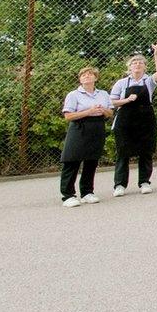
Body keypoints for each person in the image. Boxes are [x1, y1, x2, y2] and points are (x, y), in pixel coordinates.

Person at [108, 43, 157, 197]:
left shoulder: (148, 81)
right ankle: (119, 185)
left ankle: (145, 182)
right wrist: (126, 100)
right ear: (129, 67)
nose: (137, 64)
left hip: (145, 120)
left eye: (140, 62)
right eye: (134, 62)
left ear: (145, 67)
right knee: (123, 153)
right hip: (125, 121)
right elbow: (111, 102)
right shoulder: (121, 83)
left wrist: (156, 54)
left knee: (146, 151)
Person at [59, 67, 115, 207]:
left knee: (91, 161)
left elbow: (110, 113)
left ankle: (87, 192)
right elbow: (68, 116)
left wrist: (103, 110)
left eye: (90, 74)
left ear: (96, 78)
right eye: (83, 75)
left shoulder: (103, 94)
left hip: (97, 127)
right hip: (79, 127)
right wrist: (88, 111)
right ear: (80, 79)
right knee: (72, 161)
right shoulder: (73, 95)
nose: (87, 76)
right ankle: (68, 195)